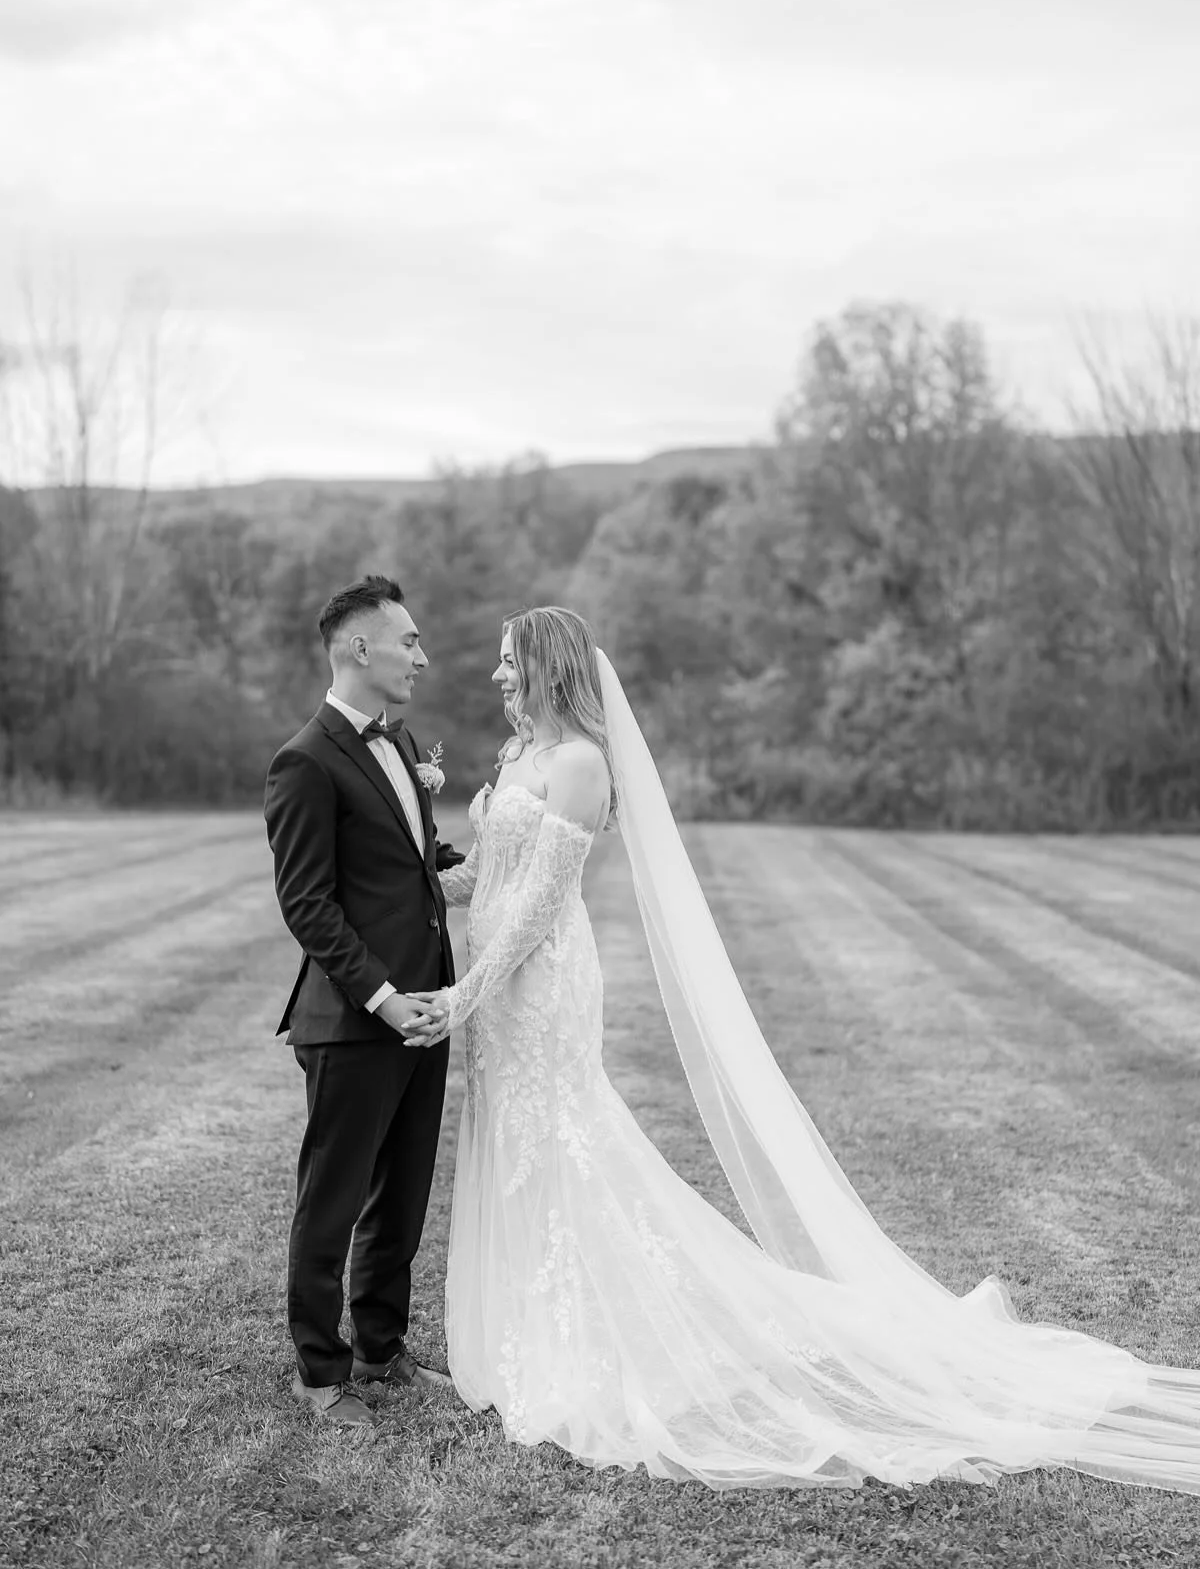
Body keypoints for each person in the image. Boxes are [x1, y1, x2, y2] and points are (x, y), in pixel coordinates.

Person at [405, 605, 1200, 1492]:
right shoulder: (518, 759)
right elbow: (487, 879)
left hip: (541, 984)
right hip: (496, 990)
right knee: (513, 1147)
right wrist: (406, 863)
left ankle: (599, 1340)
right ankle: (532, 1334)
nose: (496, 677)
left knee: (564, 1144)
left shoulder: (583, 765)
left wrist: (465, 993)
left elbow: (543, 904)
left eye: (509, 662)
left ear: (548, 664)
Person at [264, 575, 466, 1428]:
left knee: (404, 1191)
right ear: (359, 647)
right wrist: (384, 999)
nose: (421, 655)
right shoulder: (305, 760)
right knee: (335, 1197)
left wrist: (490, 866)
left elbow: (417, 859)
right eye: (409, 641)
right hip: (356, 1018)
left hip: (429, 1005)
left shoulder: (403, 738)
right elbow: (308, 904)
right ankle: (321, 1370)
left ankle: (382, 1349)